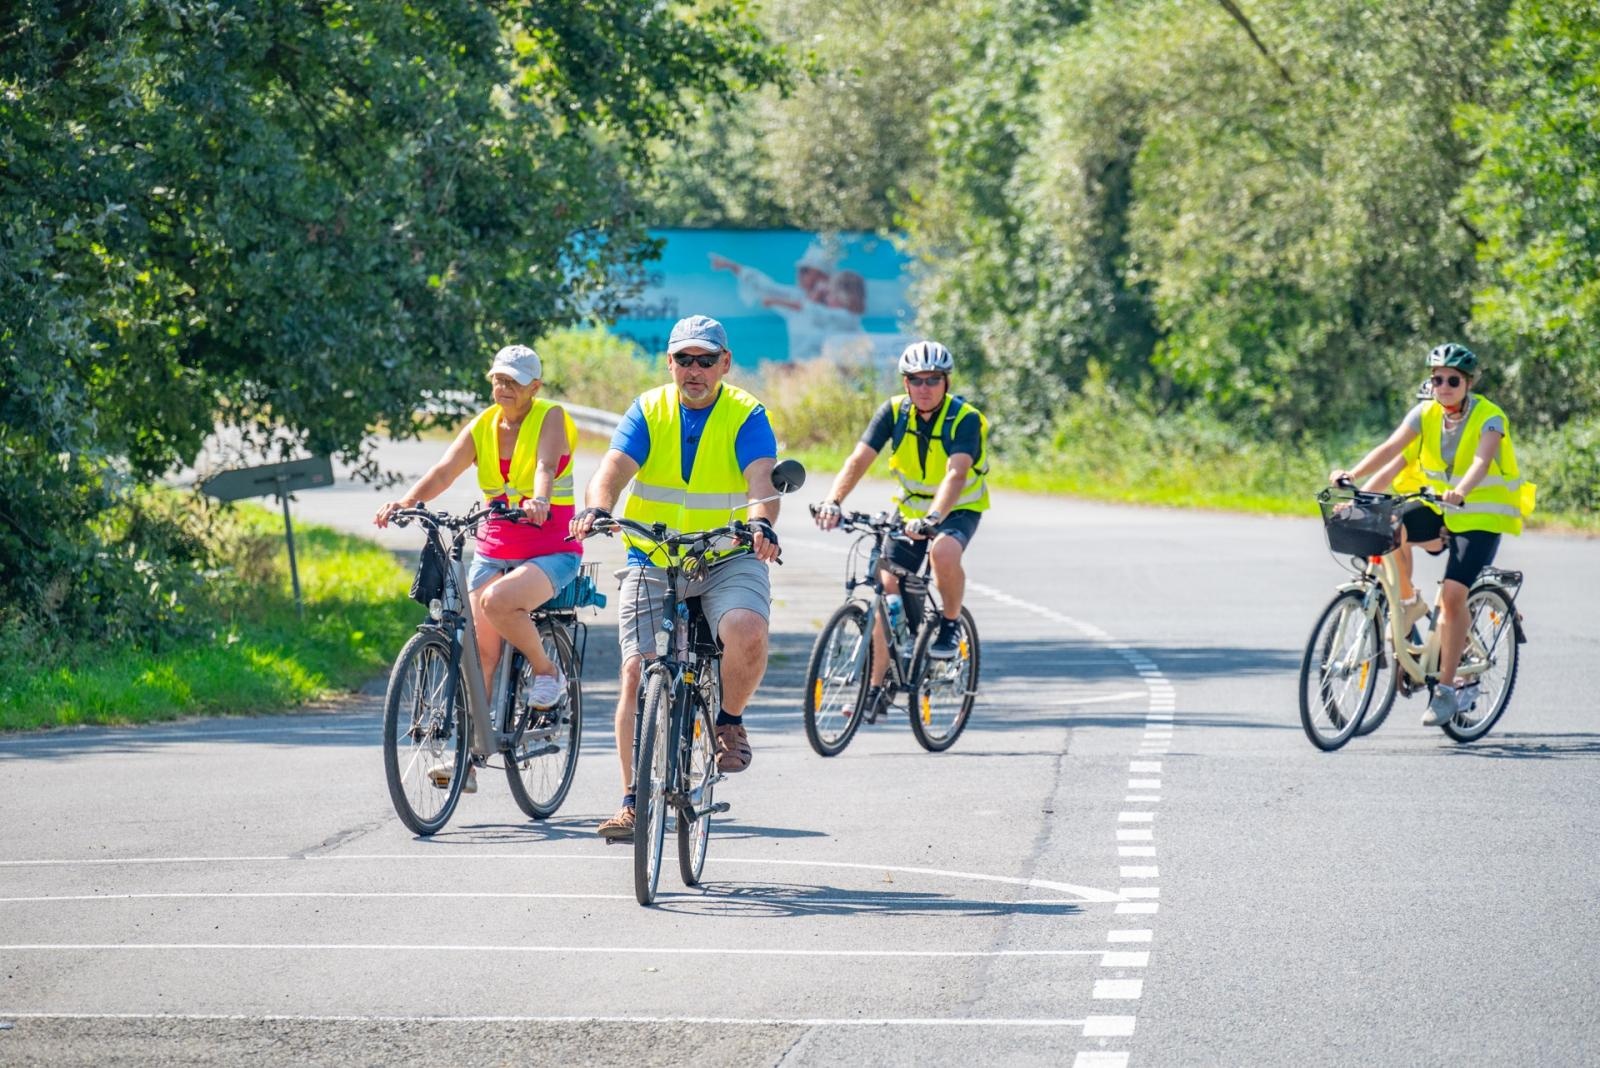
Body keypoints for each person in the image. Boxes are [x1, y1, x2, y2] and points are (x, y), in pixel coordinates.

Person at [570, 315, 781, 840]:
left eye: (705, 360)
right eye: (684, 359)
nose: (694, 370)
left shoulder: (745, 413)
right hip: (654, 556)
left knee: (747, 629)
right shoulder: (648, 409)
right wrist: (598, 507)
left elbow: (762, 480)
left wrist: (760, 522)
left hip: (727, 555)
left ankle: (728, 721)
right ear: (669, 363)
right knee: (636, 672)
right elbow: (612, 469)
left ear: (725, 364)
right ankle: (631, 801)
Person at [375, 344, 583, 792]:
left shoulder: (550, 417)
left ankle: (547, 671)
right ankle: (469, 761)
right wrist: (406, 503)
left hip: (551, 549)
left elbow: (545, 465)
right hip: (494, 549)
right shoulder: (483, 425)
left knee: (497, 602)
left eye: (513, 382)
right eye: (497, 380)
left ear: (534, 386)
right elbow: (443, 471)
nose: (503, 388)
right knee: (477, 654)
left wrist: (540, 499)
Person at [1330, 343, 1534, 726]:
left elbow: (1481, 461)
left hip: (1481, 517)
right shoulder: (1425, 414)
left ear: (1468, 382)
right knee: (1389, 526)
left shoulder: (1490, 417)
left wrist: (1462, 490)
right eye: (1437, 379)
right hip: (1443, 510)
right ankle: (1407, 603)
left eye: (1452, 380)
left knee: (1454, 597)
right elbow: (1390, 449)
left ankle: (1445, 690)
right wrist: (1352, 478)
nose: (1443, 386)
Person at [813, 340, 990, 701]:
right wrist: (833, 501)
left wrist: (933, 518)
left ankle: (950, 624)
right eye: (916, 380)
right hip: (910, 510)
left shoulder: (965, 418)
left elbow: (956, 473)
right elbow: (858, 461)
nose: (925, 388)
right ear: (905, 383)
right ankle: (877, 689)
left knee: (943, 554)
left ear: (946, 382)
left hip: (957, 508)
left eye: (933, 379)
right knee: (885, 587)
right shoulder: (894, 412)